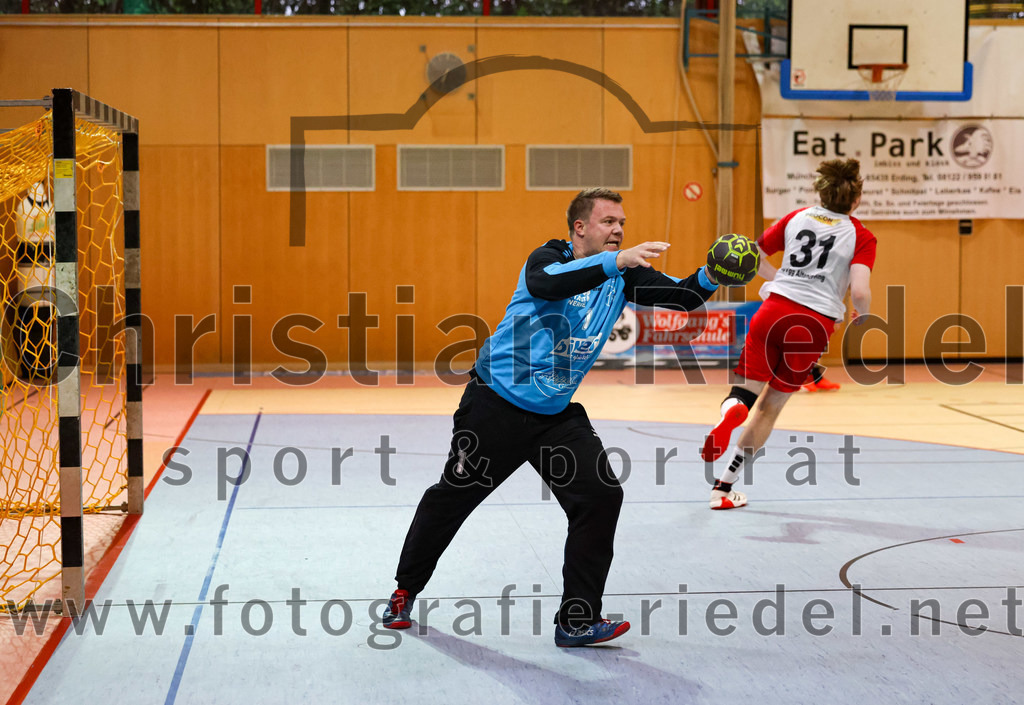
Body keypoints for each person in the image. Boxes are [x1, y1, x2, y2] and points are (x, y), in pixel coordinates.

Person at [382, 187, 738, 647]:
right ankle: (404, 590)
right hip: (495, 408)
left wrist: (713, 273)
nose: (618, 230)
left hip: (554, 418)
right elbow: (550, 284)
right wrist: (620, 259)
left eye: (622, 224)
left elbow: (684, 298)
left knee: (601, 496)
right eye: (609, 222)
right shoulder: (547, 258)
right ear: (580, 227)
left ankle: (576, 620)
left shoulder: (621, 276)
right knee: (452, 499)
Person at [700, 158, 876, 510]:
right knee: (769, 409)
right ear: (855, 199)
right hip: (813, 324)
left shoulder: (797, 217)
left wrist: (779, 278)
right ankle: (722, 488)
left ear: (820, 192)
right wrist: (863, 315)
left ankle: (729, 412)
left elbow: (753, 253)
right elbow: (859, 290)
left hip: (773, 310)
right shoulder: (861, 235)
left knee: (745, 393)